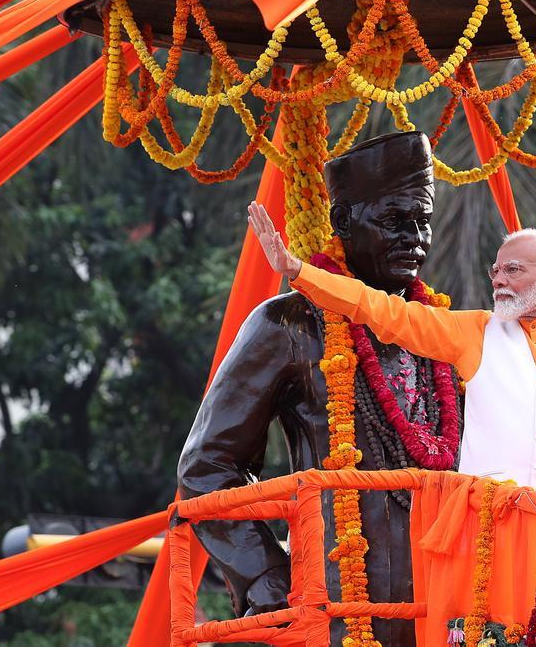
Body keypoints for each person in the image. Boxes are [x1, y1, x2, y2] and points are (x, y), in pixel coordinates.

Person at [178, 132, 460, 644]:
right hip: (333, 607)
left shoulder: (443, 334)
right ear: (343, 223)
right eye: (394, 221)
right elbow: (207, 468)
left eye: (423, 222)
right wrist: (270, 582)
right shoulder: (288, 324)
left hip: (449, 607)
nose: (413, 239)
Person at [249, 204, 536, 529]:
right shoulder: (474, 332)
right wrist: (298, 271)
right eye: (496, 271)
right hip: (492, 531)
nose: (498, 280)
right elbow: (381, 310)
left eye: (513, 270)